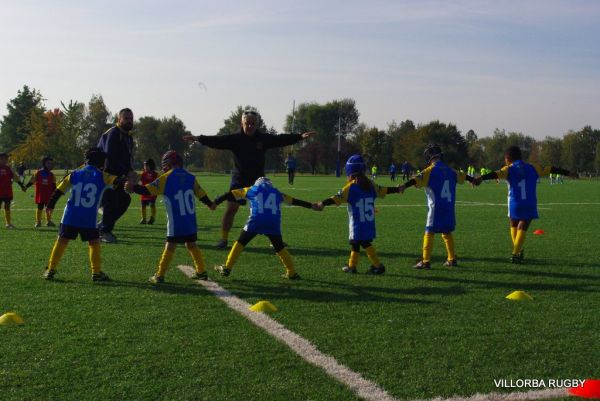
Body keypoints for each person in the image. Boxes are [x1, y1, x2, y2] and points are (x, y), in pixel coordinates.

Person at [183, 109, 316, 250]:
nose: (250, 126)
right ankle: (223, 239)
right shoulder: (235, 139)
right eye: (248, 123)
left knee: (265, 212)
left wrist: (299, 137)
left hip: (258, 181)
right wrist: (199, 138)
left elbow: (281, 139)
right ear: (242, 123)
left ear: (257, 124)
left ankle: (275, 241)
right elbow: (217, 141)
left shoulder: (263, 139)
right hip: (239, 179)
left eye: (253, 123)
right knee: (231, 209)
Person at [473, 145, 576, 263]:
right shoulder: (534, 167)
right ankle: (516, 253)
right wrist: (569, 173)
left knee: (513, 225)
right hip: (529, 202)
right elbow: (551, 169)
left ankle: (518, 250)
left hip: (514, 202)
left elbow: (495, 174)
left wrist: (481, 178)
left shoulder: (508, 168)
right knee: (523, 226)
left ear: (508, 158)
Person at [126, 151, 215, 284]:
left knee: (170, 246)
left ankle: (160, 275)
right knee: (191, 244)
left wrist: (133, 187)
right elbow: (201, 193)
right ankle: (201, 271)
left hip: (176, 220)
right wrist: (210, 204)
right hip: (190, 220)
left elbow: (147, 190)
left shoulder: (167, 177)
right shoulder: (191, 177)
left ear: (167, 163)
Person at [42, 148, 121, 282]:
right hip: (88, 218)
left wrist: (50, 205)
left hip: (70, 215)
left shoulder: (74, 174)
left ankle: (50, 269)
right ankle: (96, 272)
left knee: (62, 241)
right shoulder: (103, 175)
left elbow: (58, 191)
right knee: (94, 243)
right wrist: (126, 181)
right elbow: (118, 182)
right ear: (101, 161)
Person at [213, 177, 314, 279]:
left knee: (240, 242)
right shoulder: (277, 192)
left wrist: (217, 201)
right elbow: (295, 201)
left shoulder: (251, 189)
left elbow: (230, 194)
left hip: (256, 221)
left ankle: (227, 267)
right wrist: (311, 205)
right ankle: (292, 272)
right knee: (279, 247)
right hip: (273, 223)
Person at [316, 154, 400, 275]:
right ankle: (352, 266)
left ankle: (377, 265)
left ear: (350, 170)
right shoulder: (371, 184)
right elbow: (384, 190)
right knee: (356, 243)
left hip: (357, 222)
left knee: (362, 243)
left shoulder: (351, 187)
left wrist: (322, 203)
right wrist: (397, 189)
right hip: (368, 221)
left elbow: (336, 198)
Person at [398, 144, 474, 269]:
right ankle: (451, 259)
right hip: (449, 207)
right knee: (447, 232)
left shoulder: (430, 171)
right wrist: (473, 180)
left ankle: (426, 261)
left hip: (436, 208)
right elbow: (464, 176)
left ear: (428, 157)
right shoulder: (451, 170)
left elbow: (416, 180)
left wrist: (404, 186)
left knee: (429, 232)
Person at [97, 107, 136, 243]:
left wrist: (131, 171)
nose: (129, 121)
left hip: (119, 176)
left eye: (131, 119)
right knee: (111, 202)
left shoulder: (129, 138)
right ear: (119, 120)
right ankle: (104, 231)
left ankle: (102, 226)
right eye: (126, 118)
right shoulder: (114, 133)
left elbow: (127, 158)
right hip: (107, 176)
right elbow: (110, 158)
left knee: (125, 200)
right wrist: (125, 174)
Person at [22, 155, 56, 227]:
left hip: (49, 194)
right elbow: (32, 181)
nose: (50, 165)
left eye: (51, 163)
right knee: (40, 207)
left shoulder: (52, 174)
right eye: (48, 163)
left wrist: (55, 193)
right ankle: (38, 222)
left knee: (49, 207)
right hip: (40, 194)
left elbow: (54, 185)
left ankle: (48, 221)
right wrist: (26, 187)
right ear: (44, 163)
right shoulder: (38, 173)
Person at [0, 153, 18, 228]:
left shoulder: (8, 169)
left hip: (7, 191)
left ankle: (8, 223)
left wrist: (13, 175)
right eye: (2, 159)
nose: (5, 160)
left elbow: (14, 178)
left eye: (6, 159)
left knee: (7, 206)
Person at [139, 158, 158, 224]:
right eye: (144, 166)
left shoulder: (155, 174)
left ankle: (152, 218)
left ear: (151, 166)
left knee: (152, 204)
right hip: (144, 192)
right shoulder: (142, 174)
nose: (145, 167)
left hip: (152, 193)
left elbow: (158, 182)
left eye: (147, 166)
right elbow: (138, 179)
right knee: (143, 205)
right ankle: (143, 219)